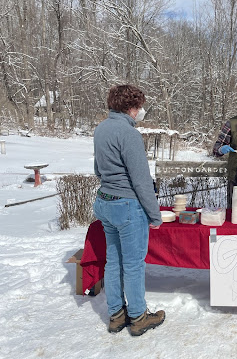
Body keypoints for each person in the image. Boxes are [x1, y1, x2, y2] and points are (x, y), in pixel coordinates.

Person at [93, 84, 165, 336]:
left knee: (113, 261)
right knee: (134, 264)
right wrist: (154, 215)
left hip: (105, 201)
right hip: (126, 206)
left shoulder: (100, 129)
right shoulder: (129, 134)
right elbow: (141, 180)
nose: (140, 111)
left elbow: (98, 171)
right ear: (132, 107)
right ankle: (138, 316)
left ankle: (116, 315)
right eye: (139, 106)